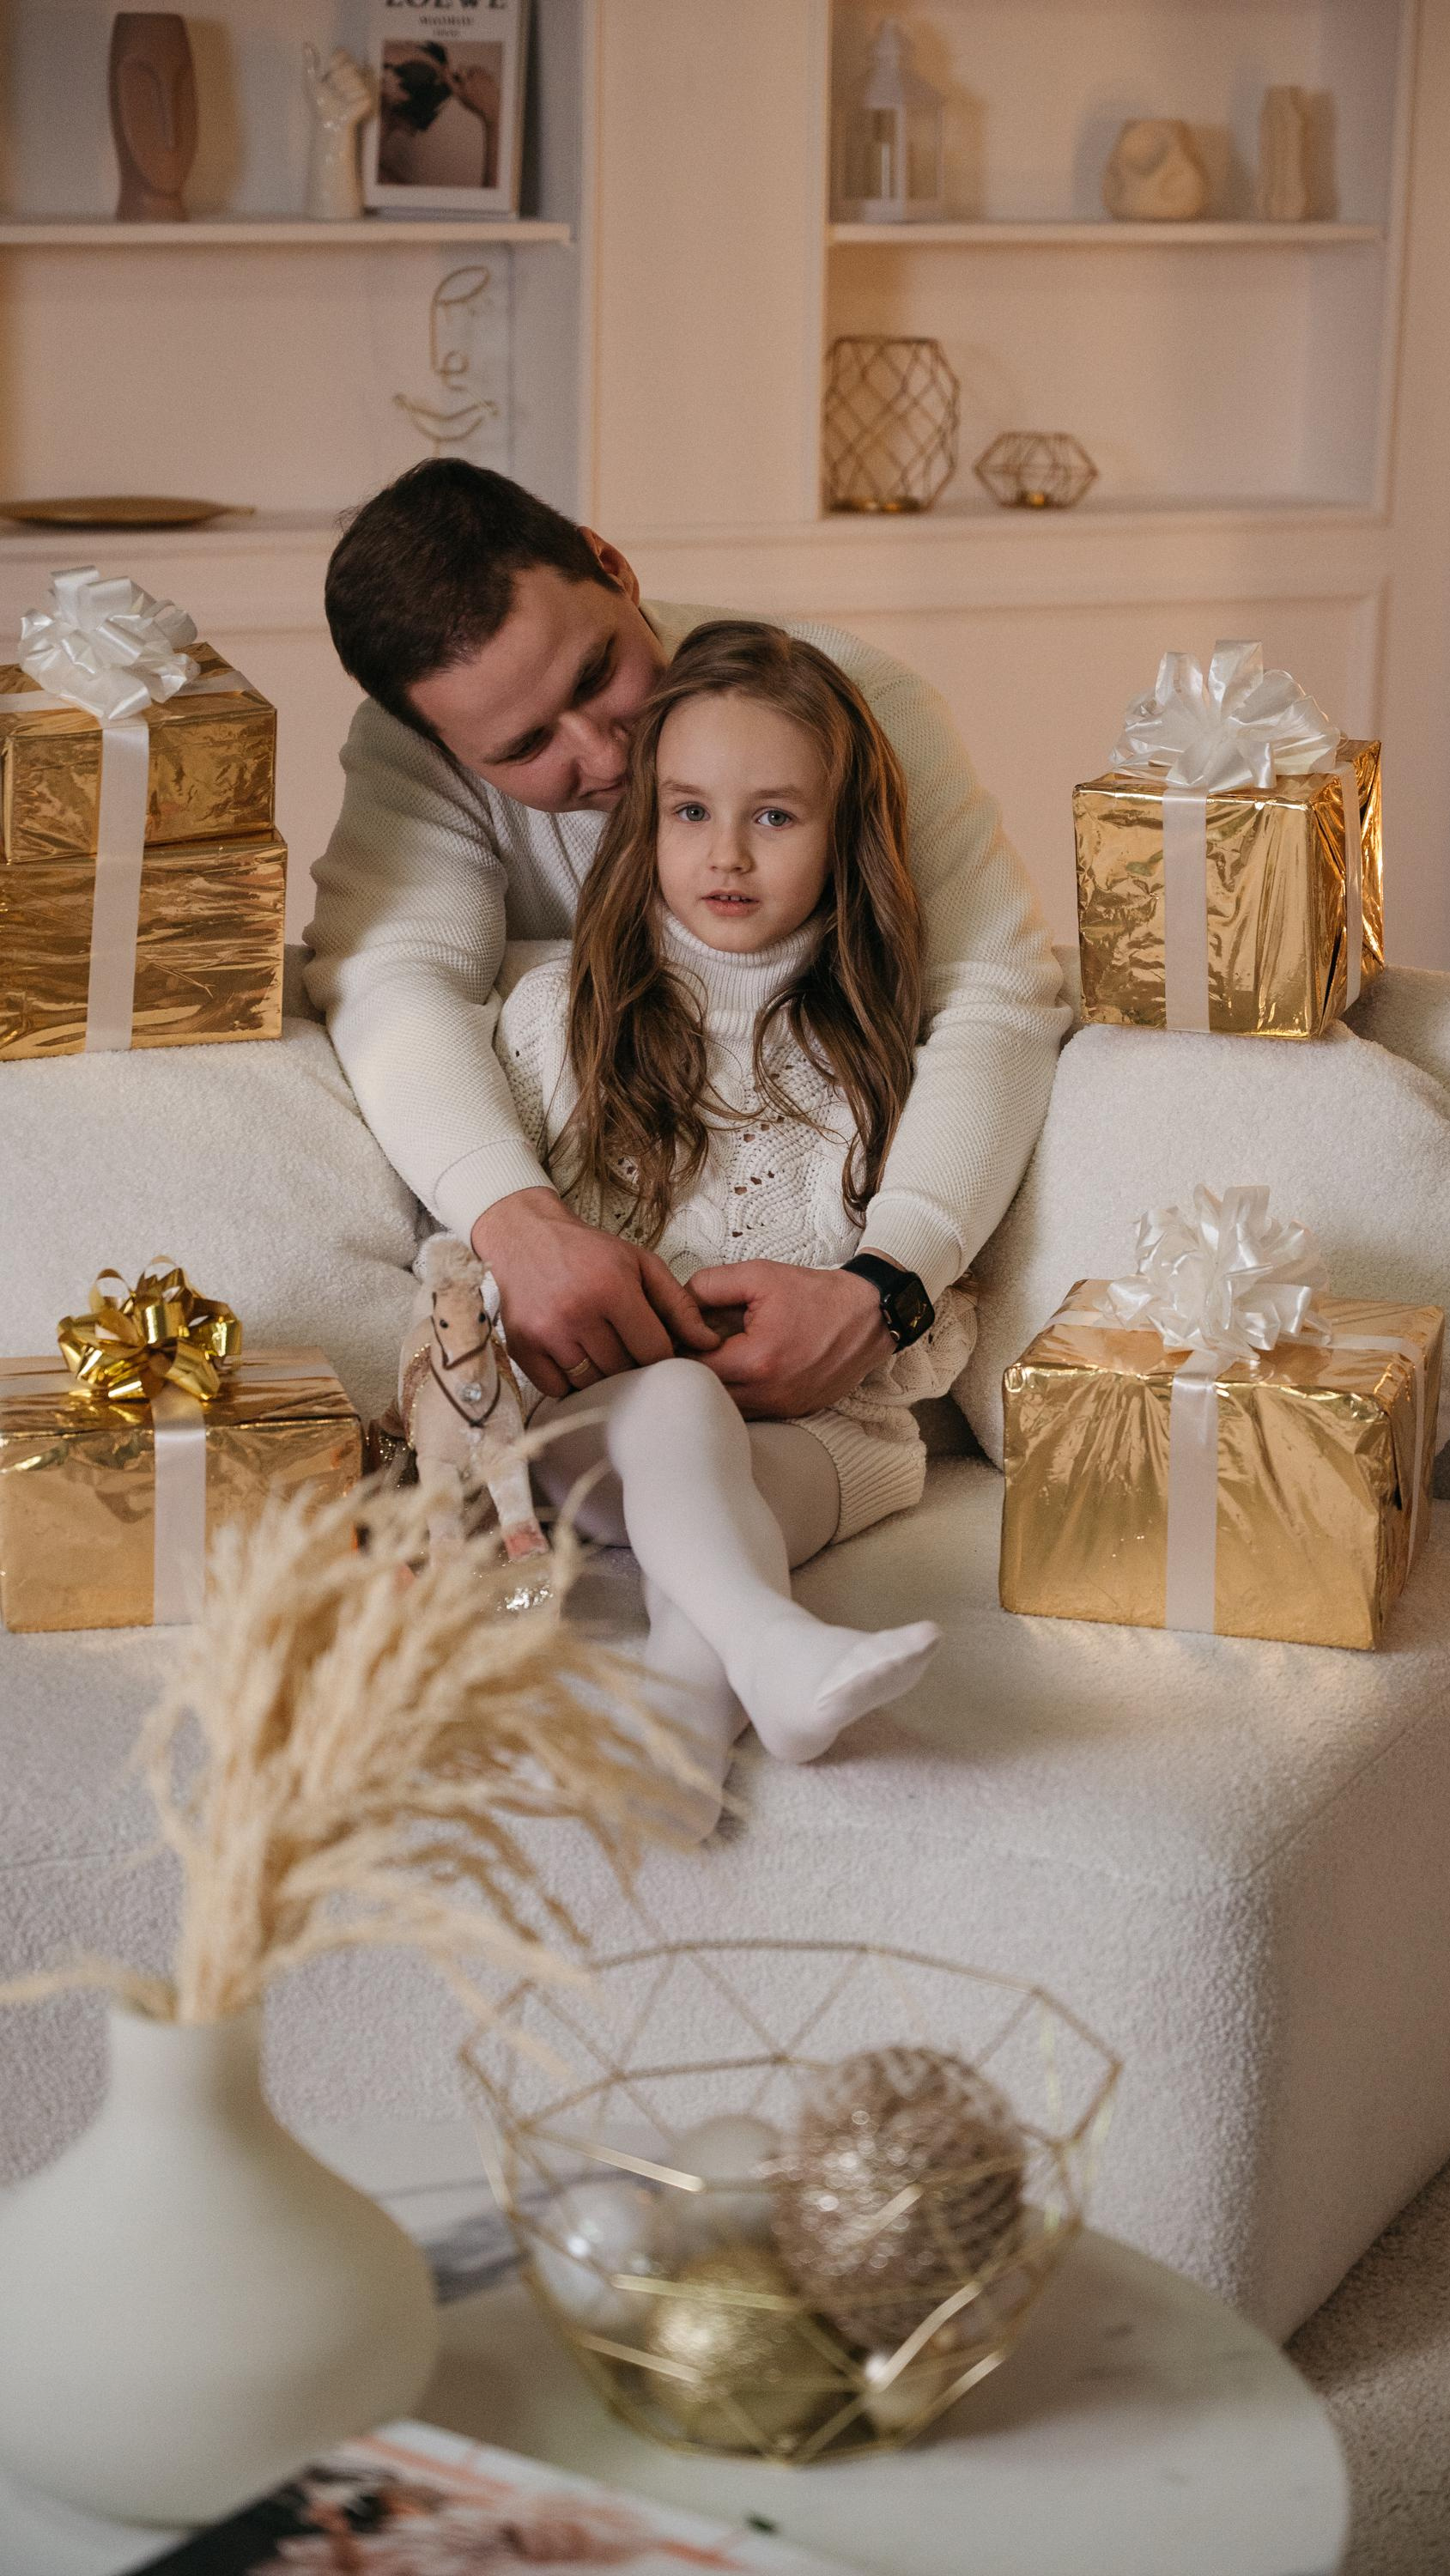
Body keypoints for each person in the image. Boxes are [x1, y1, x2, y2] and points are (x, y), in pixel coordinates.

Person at [305, 459, 1066, 1421]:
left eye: (597, 675)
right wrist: (517, 1222)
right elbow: (395, 984)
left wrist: (888, 1282)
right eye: (526, 749)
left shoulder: (843, 700)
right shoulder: (406, 752)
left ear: (614, 568)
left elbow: (991, 994)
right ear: (446, 746)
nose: (605, 753)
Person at [487, 620, 979, 1824]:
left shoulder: (882, 1045)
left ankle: (676, 1747)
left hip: (822, 1443)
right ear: (644, 822)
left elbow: (939, 1312)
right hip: (591, 1432)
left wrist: (861, 1326)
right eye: (690, 811)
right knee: (681, 1405)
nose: (728, 854)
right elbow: (472, 1251)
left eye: (774, 816)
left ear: (839, 833)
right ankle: (774, 1645)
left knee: (730, 1503)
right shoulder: (560, 1012)